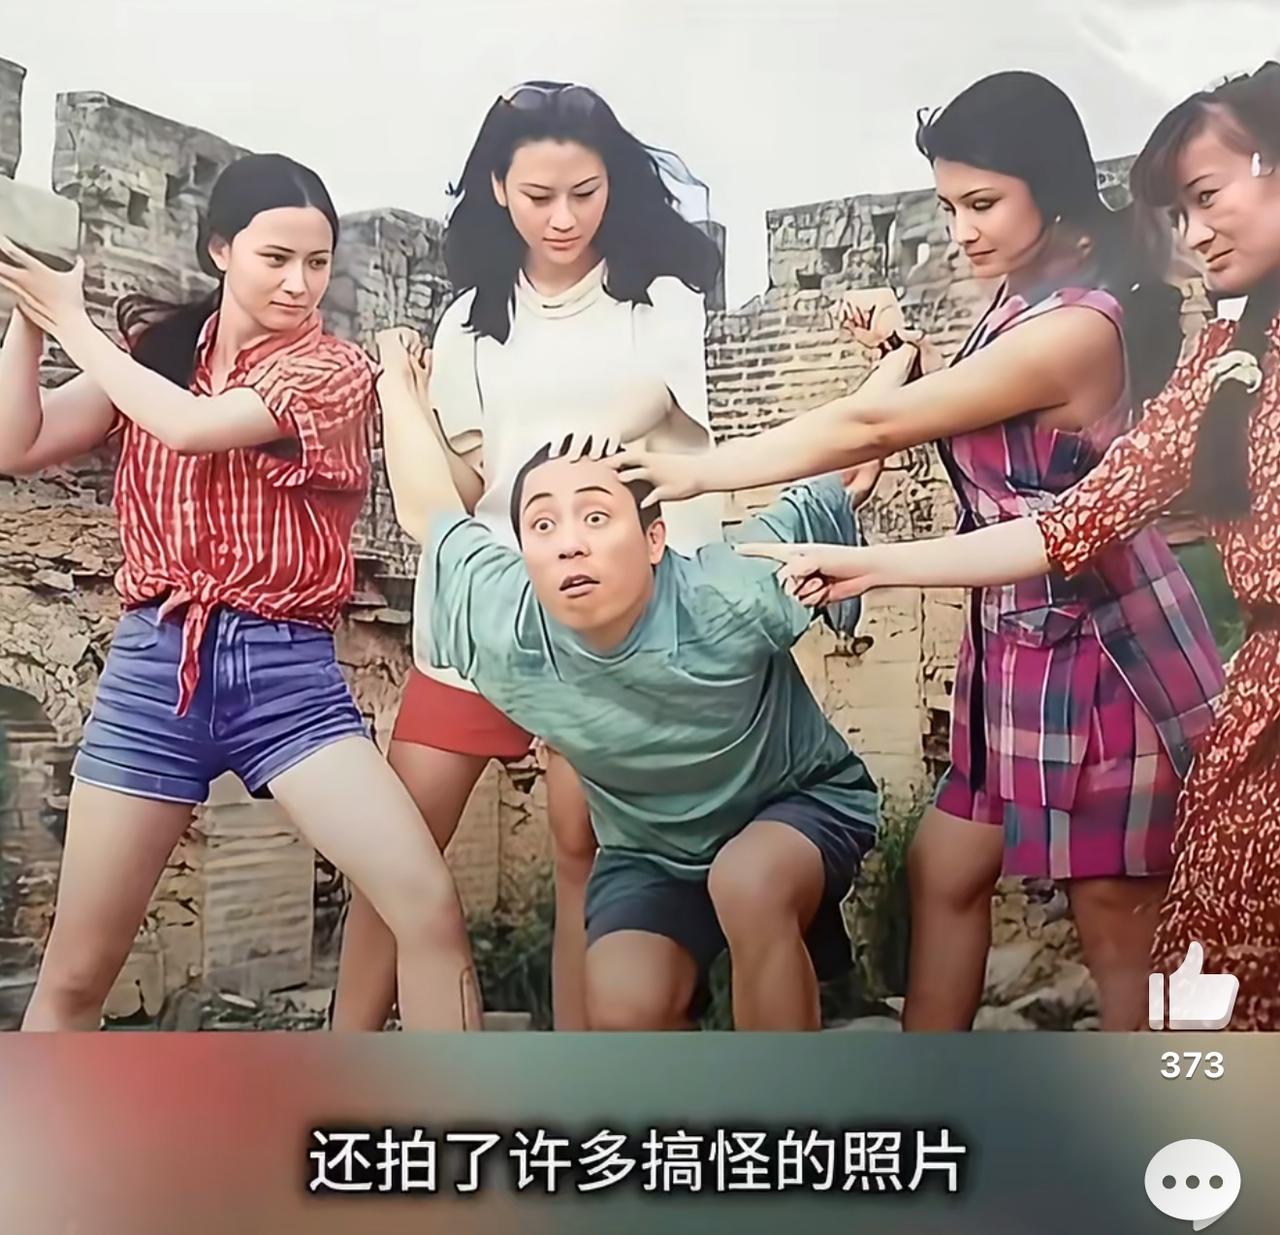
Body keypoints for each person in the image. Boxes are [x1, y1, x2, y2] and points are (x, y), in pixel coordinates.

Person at [611, 71, 1225, 1031]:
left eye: (982, 204)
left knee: (1116, 919)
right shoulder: (1027, 293)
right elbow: (994, 409)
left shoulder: (1076, 325)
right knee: (944, 864)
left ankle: (1160, 1113)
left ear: (1050, 188)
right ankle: (923, 1090)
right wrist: (914, 349)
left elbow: (876, 424)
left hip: (1099, 646)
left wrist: (702, 471)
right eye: (948, 207)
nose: (959, 231)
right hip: (1014, 635)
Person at [0, 153, 480, 1031]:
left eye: (317, 262)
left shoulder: (332, 372)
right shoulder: (156, 359)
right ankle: (37, 1126)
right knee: (74, 973)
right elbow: (14, 442)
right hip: (154, 669)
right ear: (220, 249)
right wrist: (33, 317)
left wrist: (72, 321)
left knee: (426, 904)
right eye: (277, 258)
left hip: (283, 672)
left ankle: (453, 1111)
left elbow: (190, 428)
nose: (300, 283)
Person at [333, 81, 726, 1031]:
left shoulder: (661, 300)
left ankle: (579, 1078)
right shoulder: (470, 322)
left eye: (585, 193)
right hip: (492, 612)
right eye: (539, 195)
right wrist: (401, 396)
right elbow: (452, 498)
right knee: (399, 846)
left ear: (613, 184)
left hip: (614, 620)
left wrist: (569, 467)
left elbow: (647, 406)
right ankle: (338, 1055)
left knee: (581, 850)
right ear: (498, 189)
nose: (562, 218)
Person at [375, 329, 878, 1030]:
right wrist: (395, 381)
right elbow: (429, 510)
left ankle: (783, 1092)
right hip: (654, 853)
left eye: (595, 515)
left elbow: (850, 468)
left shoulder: (728, 594)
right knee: (622, 1000)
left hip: (795, 809)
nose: (569, 542)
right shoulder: (508, 621)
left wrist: (895, 359)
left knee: (749, 881)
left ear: (653, 538)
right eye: (542, 524)